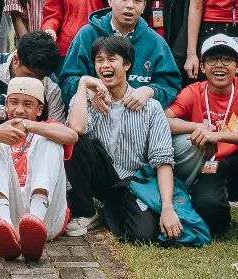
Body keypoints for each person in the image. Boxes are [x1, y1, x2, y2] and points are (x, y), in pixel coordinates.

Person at [64, 35, 206, 247]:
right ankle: (86, 212)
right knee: (77, 139)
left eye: (111, 59)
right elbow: (76, 129)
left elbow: (163, 160)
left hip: (132, 183)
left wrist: (167, 208)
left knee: (143, 235)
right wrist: (83, 83)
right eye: (99, 60)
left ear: (127, 64)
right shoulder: (85, 100)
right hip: (101, 177)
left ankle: (114, 209)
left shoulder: (151, 108)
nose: (105, 65)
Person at [165, 33, 238, 244]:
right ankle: (221, 213)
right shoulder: (193, 91)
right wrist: (197, 127)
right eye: (212, 59)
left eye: (227, 59)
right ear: (202, 66)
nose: (219, 65)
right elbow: (163, 119)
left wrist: (216, 135)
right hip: (211, 165)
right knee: (210, 214)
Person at [0, 76, 78, 262]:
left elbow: (72, 136)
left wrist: (29, 125)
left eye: (27, 104)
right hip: (6, 214)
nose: (19, 110)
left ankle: (35, 222)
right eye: (14, 103)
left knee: (50, 140)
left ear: (39, 109)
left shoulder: (46, 127)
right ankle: (6, 227)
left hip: (46, 217)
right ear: (6, 105)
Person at [56, 0, 184, 109]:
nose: (130, 5)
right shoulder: (87, 35)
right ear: (110, 0)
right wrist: (86, 89)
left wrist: (150, 91)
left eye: (137, 0)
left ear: (144, 6)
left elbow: (171, 86)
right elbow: (66, 83)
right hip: (93, 115)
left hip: (137, 118)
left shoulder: (155, 42)